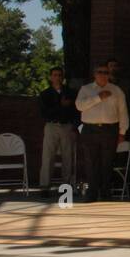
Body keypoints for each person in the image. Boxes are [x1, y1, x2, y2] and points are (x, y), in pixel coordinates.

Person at [75, 63, 130, 202]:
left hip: (109, 129)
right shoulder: (86, 89)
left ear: (109, 74)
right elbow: (79, 106)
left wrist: (122, 132)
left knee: (107, 162)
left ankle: (106, 193)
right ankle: (91, 193)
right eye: (100, 72)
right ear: (95, 74)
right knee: (90, 162)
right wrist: (98, 97)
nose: (103, 74)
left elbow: (123, 113)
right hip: (90, 129)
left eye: (106, 72)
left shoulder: (117, 90)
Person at [37, 67, 76, 195]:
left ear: (63, 77)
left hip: (66, 126)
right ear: (50, 77)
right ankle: (45, 186)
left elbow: (75, 111)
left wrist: (75, 127)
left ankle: (66, 186)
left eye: (60, 75)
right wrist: (61, 106)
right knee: (48, 156)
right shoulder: (45, 94)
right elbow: (44, 114)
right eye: (55, 75)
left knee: (67, 156)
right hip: (51, 126)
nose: (57, 77)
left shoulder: (70, 93)